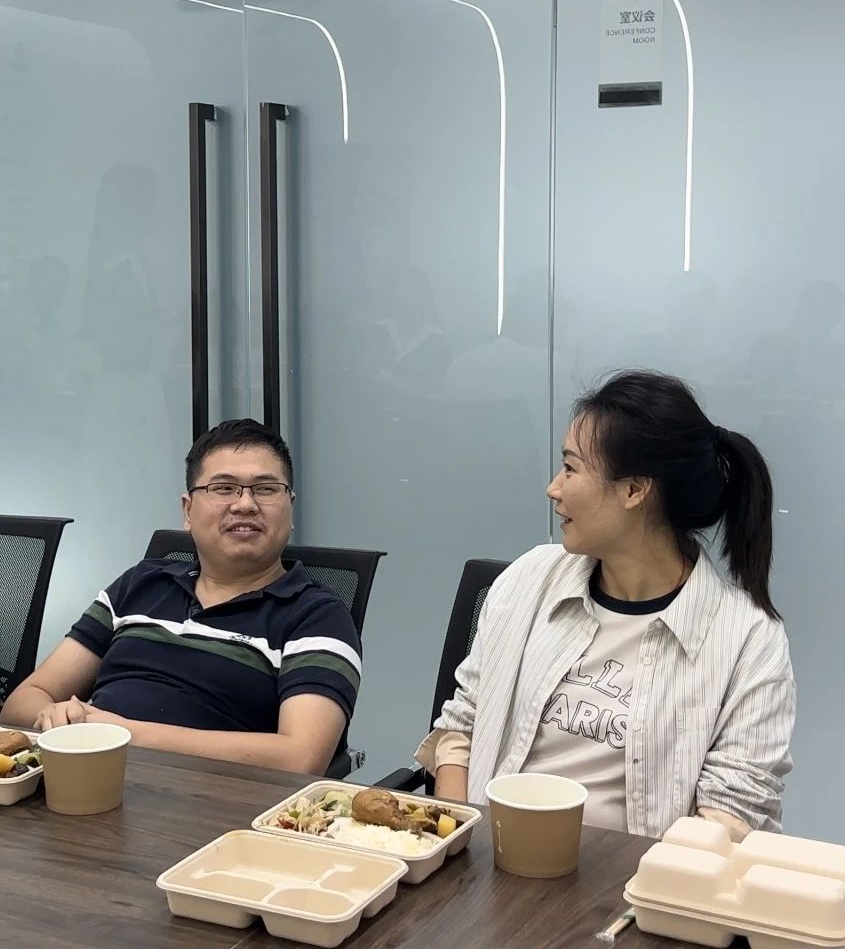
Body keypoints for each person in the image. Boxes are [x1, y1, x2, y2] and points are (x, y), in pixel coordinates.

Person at [417, 371, 796, 839]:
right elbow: (462, 728)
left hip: (643, 879)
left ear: (634, 490)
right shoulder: (530, 578)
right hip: (492, 857)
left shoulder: (748, 640)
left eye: (571, 468)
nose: (554, 488)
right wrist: (459, 839)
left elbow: (730, 818)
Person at [1, 419, 361, 775]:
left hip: (208, 801)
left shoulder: (317, 615)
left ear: (290, 507)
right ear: (188, 511)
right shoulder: (141, 584)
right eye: (223, 488)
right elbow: (22, 702)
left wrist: (125, 734)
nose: (245, 504)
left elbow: (301, 758)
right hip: (87, 778)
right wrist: (54, 716)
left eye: (266, 489)